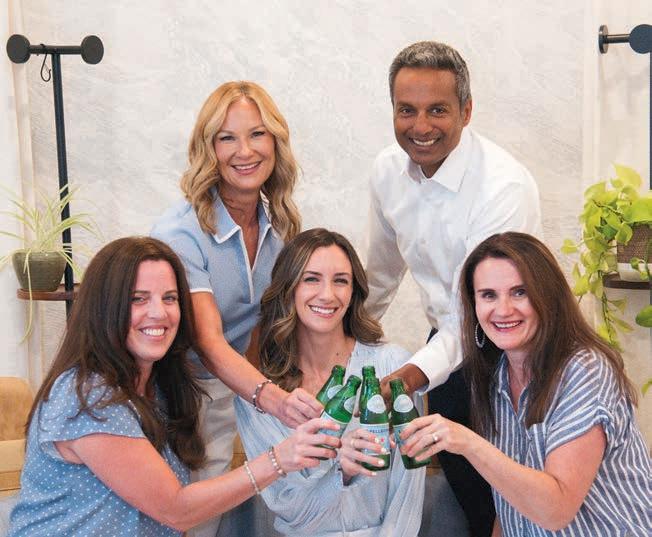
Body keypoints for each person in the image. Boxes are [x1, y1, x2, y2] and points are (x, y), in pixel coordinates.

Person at [7, 237, 340, 537]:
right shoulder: (88, 396)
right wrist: (279, 459)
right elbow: (176, 510)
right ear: (105, 308)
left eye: (170, 298)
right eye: (139, 299)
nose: (159, 313)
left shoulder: (161, 388)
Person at [365, 40, 542, 535]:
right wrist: (340, 341)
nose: (420, 126)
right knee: (470, 493)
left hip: (516, 348)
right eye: (407, 110)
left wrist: (408, 377)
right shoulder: (387, 171)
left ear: (466, 111)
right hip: (446, 347)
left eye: (437, 110)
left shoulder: (502, 187)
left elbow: (478, 311)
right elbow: (379, 273)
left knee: (519, 499)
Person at [151, 81, 322, 536]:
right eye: (227, 137)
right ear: (208, 149)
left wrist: (267, 397)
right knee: (182, 516)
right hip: (174, 393)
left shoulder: (280, 225)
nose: (245, 151)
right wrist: (273, 400)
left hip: (234, 387)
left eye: (257, 134)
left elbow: (265, 326)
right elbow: (207, 342)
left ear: (276, 142)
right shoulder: (181, 232)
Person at [400, 232, 652, 536]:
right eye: (488, 295)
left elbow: (556, 510)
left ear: (548, 296)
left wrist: (466, 441)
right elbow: (510, 502)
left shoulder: (584, 370)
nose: (503, 309)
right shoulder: (498, 376)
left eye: (519, 292)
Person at [235, 228, 426, 536]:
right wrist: (342, 472)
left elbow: (408, 493)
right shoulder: (260, 394)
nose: (327, 295)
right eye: (311, 279)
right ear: (288, 288)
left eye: (340, 281)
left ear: (354, 292)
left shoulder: (393, 367)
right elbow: (292, 511)